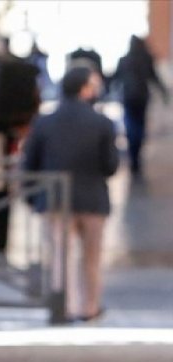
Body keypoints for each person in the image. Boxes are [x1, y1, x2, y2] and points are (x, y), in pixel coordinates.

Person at [21, 66, 119, 323]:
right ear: (85, 89)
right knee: (92, 259)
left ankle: (64, 307)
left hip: (55, 200)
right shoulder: (102, 123)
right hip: (92, 200)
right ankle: (89, 308)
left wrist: (32, 198)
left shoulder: (44, 122)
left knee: (59, 257)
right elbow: (111, 166)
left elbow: (29, 163)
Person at [111, 35, 169, 175]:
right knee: (139, 126)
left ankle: (133, 155)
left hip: (129, 97)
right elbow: (154, 77)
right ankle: (136, 156)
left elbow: (115, 78)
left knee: (131, 126)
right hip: (141, 97)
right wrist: (164, 93)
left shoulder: (125, 60)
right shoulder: (146, 59)